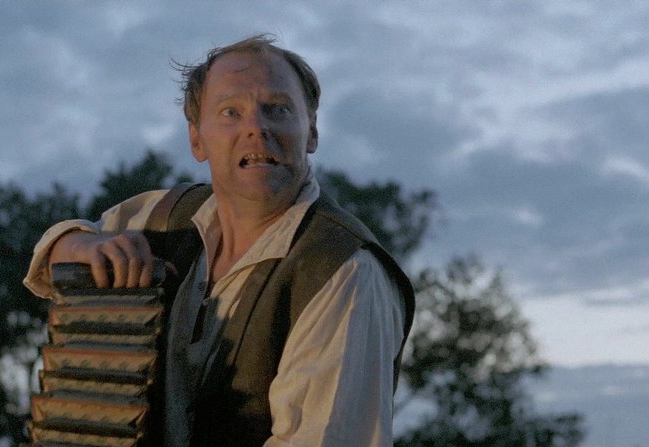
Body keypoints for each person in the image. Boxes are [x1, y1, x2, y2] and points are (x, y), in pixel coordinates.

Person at [24, 34, 414, 447]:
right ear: (197, 139)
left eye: (277, 109)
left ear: (311, 131)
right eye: (231, 112)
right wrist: (79, 247)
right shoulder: (165, 216)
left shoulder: (342, 271)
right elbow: (53, 256)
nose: (256, 128)